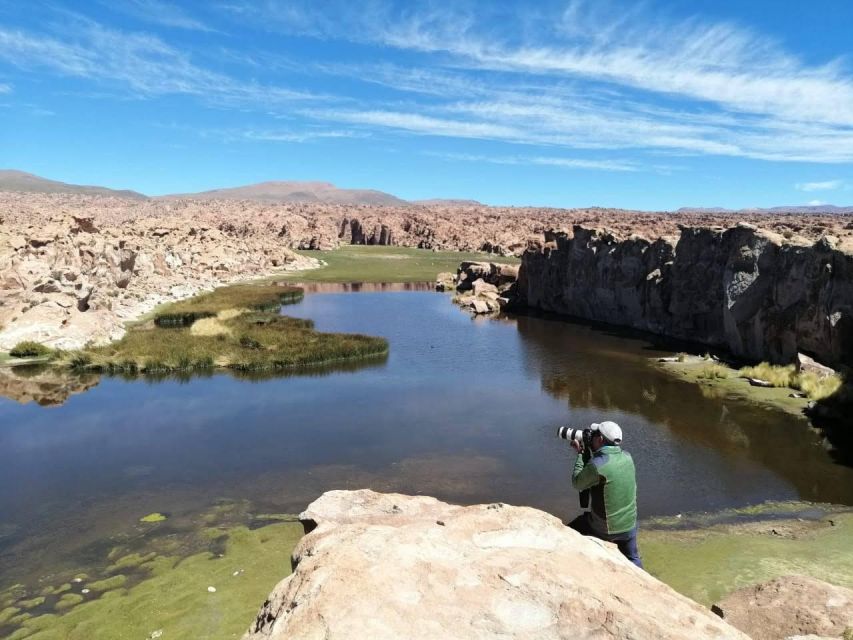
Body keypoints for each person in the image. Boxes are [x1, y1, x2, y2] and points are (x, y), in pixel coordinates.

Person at [568, 421, 643, 568]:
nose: (592, 436)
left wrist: (581, 454)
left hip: (606, 529)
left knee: (572, 529)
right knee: (633, 558)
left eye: (595, 435)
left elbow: (577, 483)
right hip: (630, 526)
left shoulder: (598, 465)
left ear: (600, 439)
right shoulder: (628, 457)